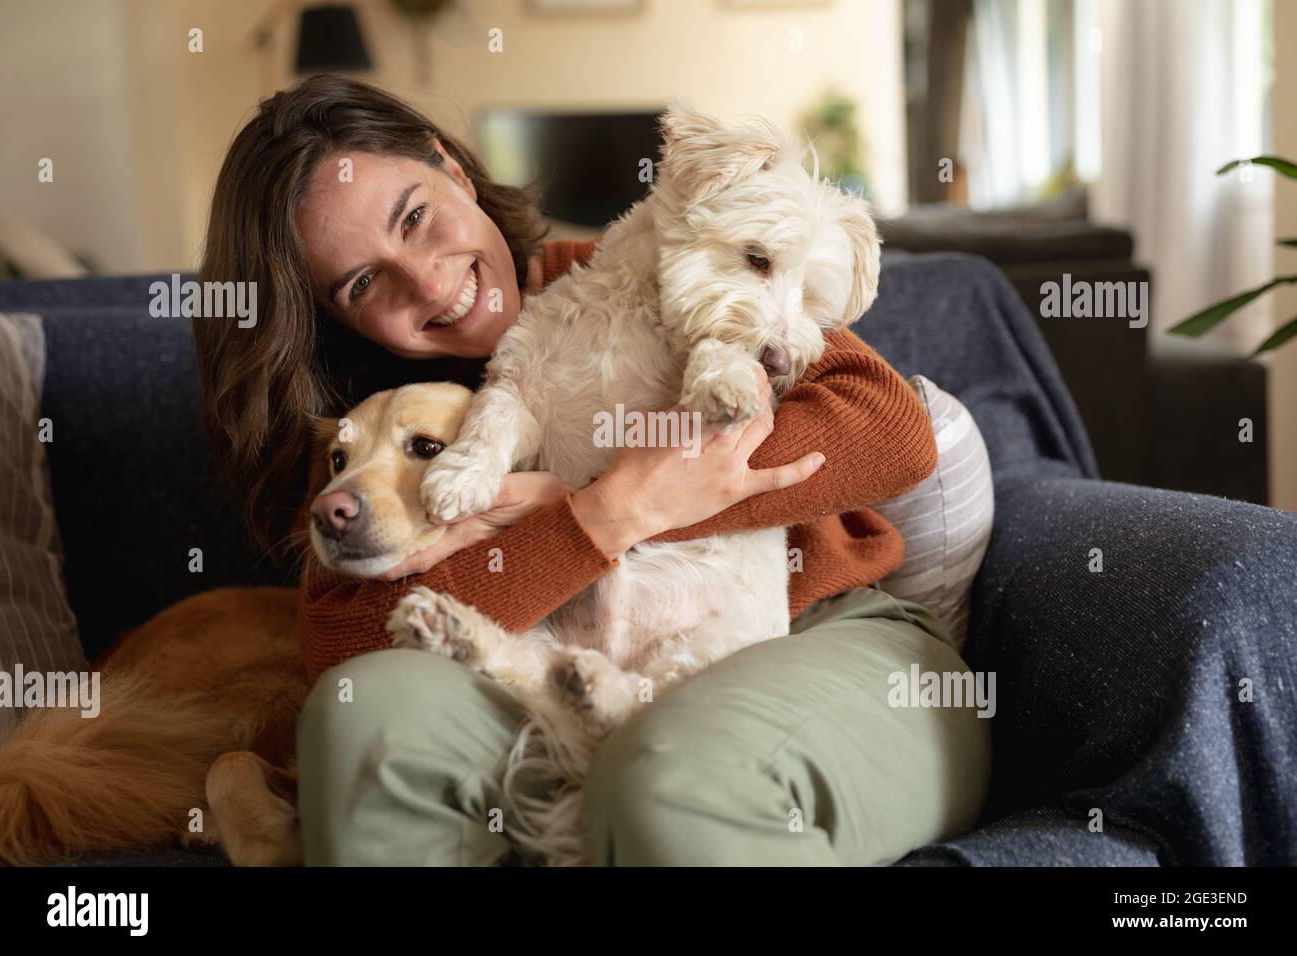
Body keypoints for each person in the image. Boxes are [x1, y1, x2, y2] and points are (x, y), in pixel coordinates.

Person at [193, 74, 991, 866]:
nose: (432, 282)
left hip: (813, 630)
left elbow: (890, 433)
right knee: (362, 720)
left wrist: (617, 500)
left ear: (453, 169)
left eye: (416, 216)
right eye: (363, 282)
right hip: (566, 664)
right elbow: (345, 639)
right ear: (330, 317)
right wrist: (598, 520)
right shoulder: (372, 424)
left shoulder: (659, 270)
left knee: (667, 784)